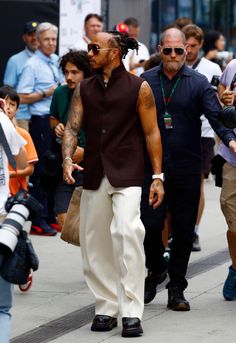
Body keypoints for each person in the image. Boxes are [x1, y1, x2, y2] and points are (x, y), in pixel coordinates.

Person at [62, 31, 164, 337]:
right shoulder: (84, 88)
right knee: (94, 243)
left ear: (115, 53)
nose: (89, 53)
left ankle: (131, 311)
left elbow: (152, 133)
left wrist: (158, 177)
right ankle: (105, 306)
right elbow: (72, 126)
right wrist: (67, 159)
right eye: (88, 48)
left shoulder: (139, 87)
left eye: (95, 48)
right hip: (94, 172)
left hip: (129, 171)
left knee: (127, 231)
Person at [141, 27, 236, 310]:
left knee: (183, 230)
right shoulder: (144, 82)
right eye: (167, 50)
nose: (172, 55)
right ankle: (156, 267)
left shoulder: (198, 82)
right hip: (153, 168)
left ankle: (177, 288)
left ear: (187, 51)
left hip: (186, 166)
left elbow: (216, 117)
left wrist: (230, 139)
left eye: (178, 50)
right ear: (160, 50)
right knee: (149, 225)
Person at [17, 22, 63, 236]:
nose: (51, 43)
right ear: (37, 40)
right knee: (41, 172)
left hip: (55, 121)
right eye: (47, 39)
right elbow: (21, 97)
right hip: (40, 121)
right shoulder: (32, 64)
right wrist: (46, 93)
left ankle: (51, 215)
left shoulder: (56, 60)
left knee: (55, 170)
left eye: (54, 39)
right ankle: (38, 220)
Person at [182, 24, 222, 251]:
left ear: (200, 45)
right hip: (179, 132)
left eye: (193, 46)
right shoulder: (173, 63)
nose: (187, 50)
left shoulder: (211, 68)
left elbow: (217, 103)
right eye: (184, 45)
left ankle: (194, 231)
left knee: (197, 184)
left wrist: (220, 136)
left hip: (204, 133)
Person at [49, 50, 92, 229]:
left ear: (86, 73)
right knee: (63, 217)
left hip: (94, 165)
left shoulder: (97, 93)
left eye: (74, 72)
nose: (69, 77)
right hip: (67, 164)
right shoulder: (60, 92)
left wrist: (87, 153)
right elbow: (53, 118)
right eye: (66, 72)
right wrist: (57, 126)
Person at [0, 98, 27, 343]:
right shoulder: (2, 120)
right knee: (1, 307)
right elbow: (21, 161)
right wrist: (9, 120)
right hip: (1, 221)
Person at [218, 59, 236, 300]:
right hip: (233, 157)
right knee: (233, 220)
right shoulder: (233, 66)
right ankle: (235, 267)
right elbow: (222, 94)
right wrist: (225, 100)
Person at [3, 21, 39, 131]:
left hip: (44, 115)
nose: (34, 38)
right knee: (23, 148)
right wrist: (10, 117)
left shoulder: (52, 59)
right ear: (24, 38)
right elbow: (7, 92)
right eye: (30, 34)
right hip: (22, 117)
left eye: (37, 34)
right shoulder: (14, 61)